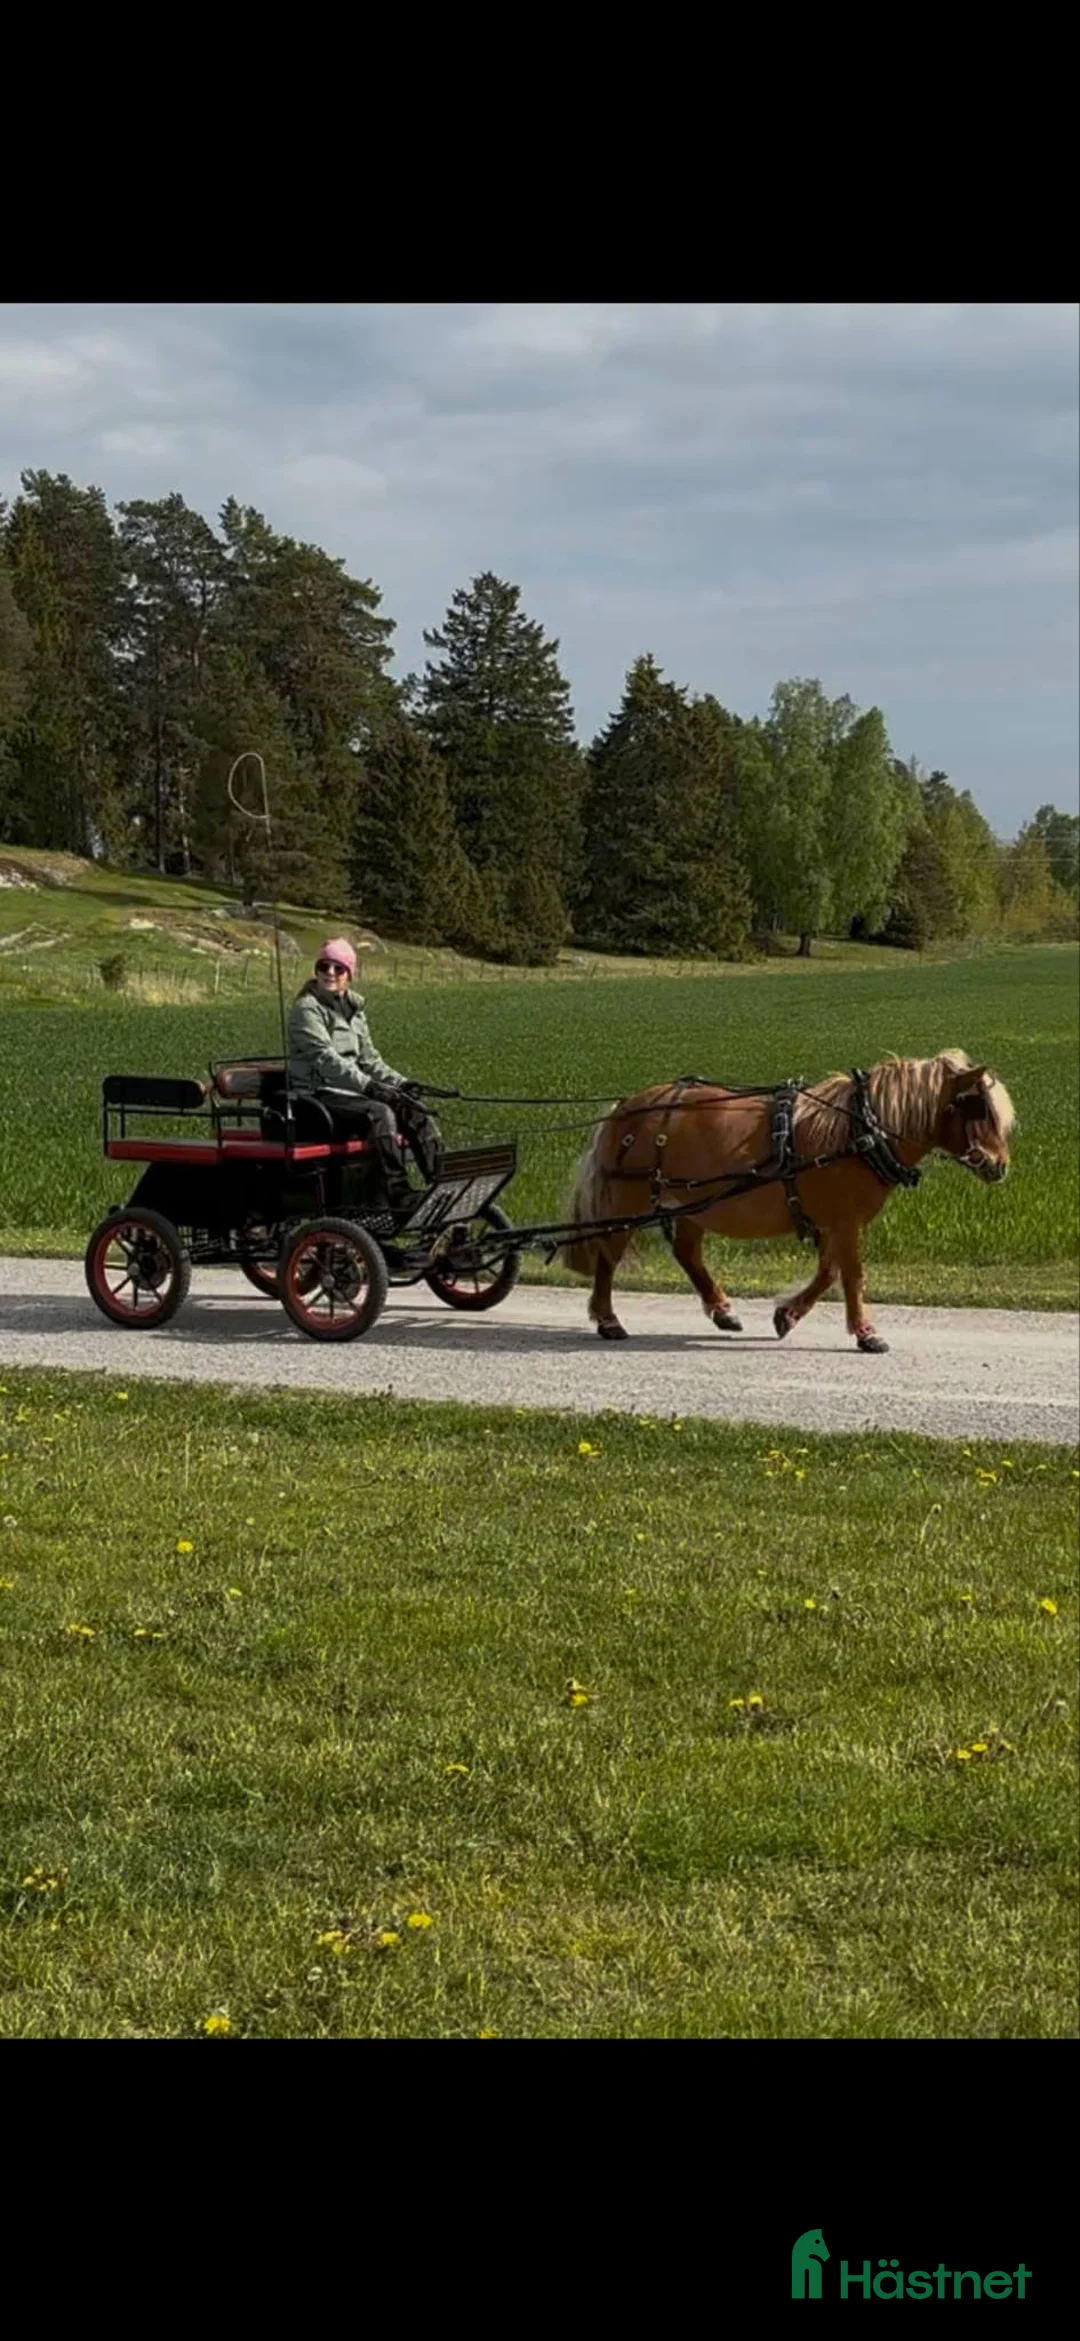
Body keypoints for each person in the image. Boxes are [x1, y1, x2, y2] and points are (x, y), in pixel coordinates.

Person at [286, 939, 441, 1209]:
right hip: (317, 1097)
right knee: (380, 1113)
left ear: (350, 974)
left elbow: (370, 1060)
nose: (330, 972)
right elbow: (326, 1060)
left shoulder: (355, 1011)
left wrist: (402, 1084)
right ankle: (397, 1191)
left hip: (350, 1094)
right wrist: (369, 1087)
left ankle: (441, 1180)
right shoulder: (306, 1009)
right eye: (324, 965)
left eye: (338, 968)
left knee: (413, 1108)